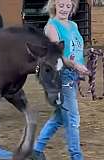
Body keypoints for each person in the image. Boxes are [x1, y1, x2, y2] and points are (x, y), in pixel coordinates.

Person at [30, 0, 90, 160]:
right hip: (62, 75)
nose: (64, 9)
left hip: (74, 75)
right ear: (54, 5)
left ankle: (37, 149)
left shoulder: (74, 25)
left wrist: (80, 67)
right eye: (61, 5)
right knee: (72, 117)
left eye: (68, 6)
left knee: (59, 116)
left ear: (72, 7)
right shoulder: (51, 27)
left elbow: (75, 50)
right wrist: (76, 66)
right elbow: (57, 57)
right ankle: (76, 156)